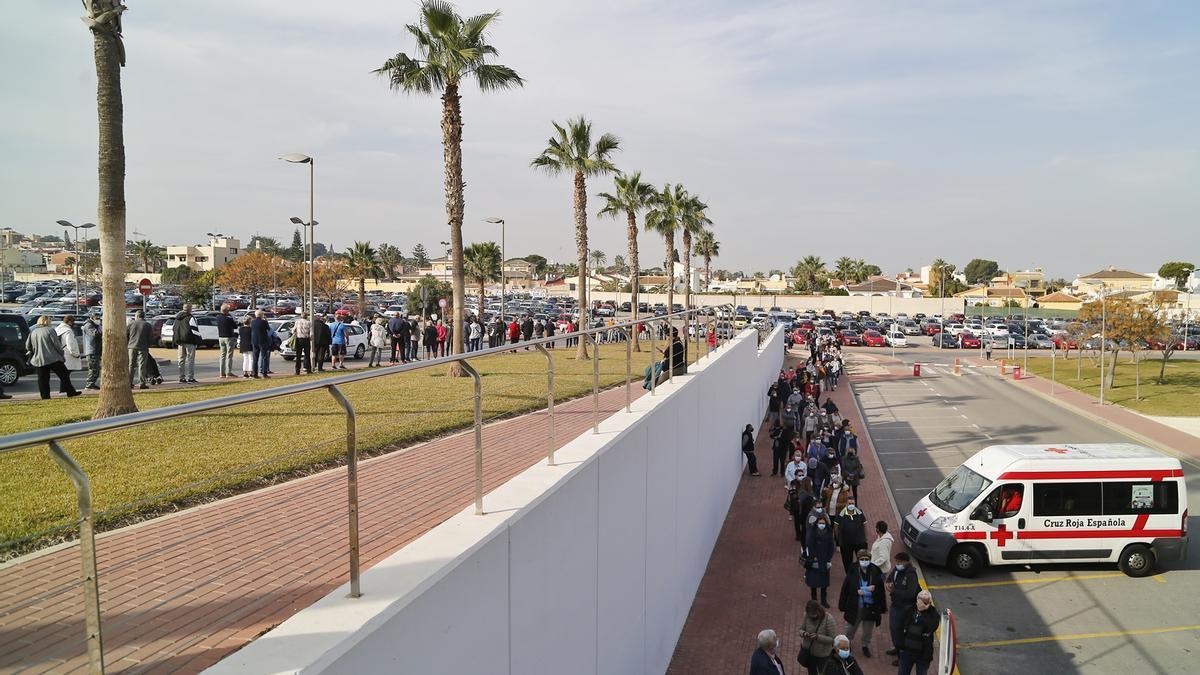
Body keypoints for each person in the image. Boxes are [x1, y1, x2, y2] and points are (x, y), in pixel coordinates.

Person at [838, 549, 887, 659]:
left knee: (868, 629)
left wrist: (882, 607)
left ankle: (865, 645)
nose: (864, 561)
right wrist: (862, 590)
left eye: (867, 559)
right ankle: (848, 643)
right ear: (858, 559)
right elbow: (846, 588)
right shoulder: (853, 571)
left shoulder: (875, 571)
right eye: (862, 559)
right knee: (850, 628)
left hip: (870, 607)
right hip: (855, 606)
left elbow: (880, 590)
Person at [26, 315, 80, 399]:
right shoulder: (50, 330)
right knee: (64, 375)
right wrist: (61, 354)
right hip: (53, 358)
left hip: (39, 359)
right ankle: (70, 391)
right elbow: (57, 345)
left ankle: (45, 396)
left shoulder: (33, 332)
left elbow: (28, 346)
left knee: (43, 379)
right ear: (47, 321)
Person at [885, 552, 921, 666]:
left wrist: (894, 591)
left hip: (905, 608)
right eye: (896, 562)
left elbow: (911, 593)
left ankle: (902, 657)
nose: (897, 564)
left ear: (906, 562)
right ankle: (897, 648)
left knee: (900, 631)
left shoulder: (911, 574)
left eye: (899, 562)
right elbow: (890, 577)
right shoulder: (897, 569)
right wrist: (888, 583)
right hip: (896, 604)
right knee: (894, 629)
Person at [896, 591, 939, 675]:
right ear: (917, 600)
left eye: (925, 601)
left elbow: (931, 627)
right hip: (907, 651)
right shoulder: (910, 610)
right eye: (921, 600)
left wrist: (923, 612)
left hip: (923, 654)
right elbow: (901, 625)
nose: (922, 603)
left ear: (929, 603)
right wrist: (900, 646)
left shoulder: (933, 614)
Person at [797, 599, 837, 675]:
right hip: (809, 653)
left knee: (823, 673)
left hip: (822, 656)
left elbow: (832, 639)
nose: (811, 617)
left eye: (813, 615)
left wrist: (818, 637)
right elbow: (800, 630)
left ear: (818, 611)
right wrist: (804, 633)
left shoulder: (828, 619)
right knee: (812, 672)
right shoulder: (806, 615)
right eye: (809, 616)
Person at [806, 511, 836, 607]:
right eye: (820, 523)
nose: (821, 525)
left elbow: (832, 547)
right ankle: (814, 600)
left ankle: (823, 600)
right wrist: (813, 556)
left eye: (823, 523)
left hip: (824, 560)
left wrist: (828, 558)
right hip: (815, 560)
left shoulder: (829, 533)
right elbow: (810, 545)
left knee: (824, 582)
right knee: (813, 582)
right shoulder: (813, 533)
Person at [835, 498, 868, 574]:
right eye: (849, 503)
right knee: (847, 561)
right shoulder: (840, 514)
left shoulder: (859, 513)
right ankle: (850, 576)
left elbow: (865, 524)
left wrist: (865, 538)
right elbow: (836, 528)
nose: (851, 505)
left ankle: (862, 574)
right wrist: (839, 540)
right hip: (846, 544)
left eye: (852, 503)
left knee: (862, 560)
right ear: (846, 504)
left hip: (859, 542)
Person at [174, 305, 200, 383]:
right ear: (190, 310)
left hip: (180, 341)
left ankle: (181, 377)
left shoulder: (177, 318)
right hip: (190, 341)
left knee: (181, 360)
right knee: (190, 360)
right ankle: (190, 377)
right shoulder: (191, 317)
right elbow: (195, 330)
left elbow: (174, 328)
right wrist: (198, 341)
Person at [127, 310, 153, 389]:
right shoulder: (147, 325)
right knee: (142, 365)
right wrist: (148, 345)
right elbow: (151, 338)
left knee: (131, 365)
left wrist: (128, 343)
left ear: (137, 316)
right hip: (143, 347)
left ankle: (129, 383)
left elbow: (126, 334)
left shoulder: (131, 324)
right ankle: (142, 383)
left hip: (131, 347)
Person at [217, 305, 238, 378]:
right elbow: (235, 326)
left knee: (222, 355)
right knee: (229, 355)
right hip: (229, 337)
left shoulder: (218, 317)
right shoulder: (228, 318)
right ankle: (228, 372)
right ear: (226, 311)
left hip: (221, 337)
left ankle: (221, 372)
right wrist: (231, 317)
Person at [248, 310, 271, 378]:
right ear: (261, 315)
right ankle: (264, 373)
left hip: (254, 341)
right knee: (264, 357)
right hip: (263, 341)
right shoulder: (263, 322)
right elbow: (268, 329)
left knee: (255, 358)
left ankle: (255, 374)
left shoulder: (252, 322)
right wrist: (266, 320)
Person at [81, 314, 102, 390]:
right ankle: (89, 385)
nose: (98, 320)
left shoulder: (93, 325)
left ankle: (91, 384)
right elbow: (95, 334)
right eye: (97, 318)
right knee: (93, 369)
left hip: (95, 350)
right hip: (92, 351)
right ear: (92, 318)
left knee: (95, 369)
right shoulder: (89, 325)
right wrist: (100, 327)